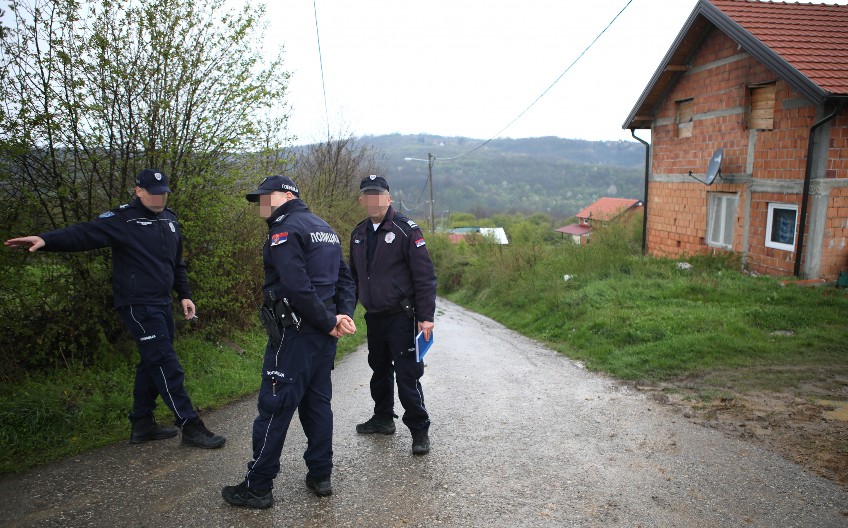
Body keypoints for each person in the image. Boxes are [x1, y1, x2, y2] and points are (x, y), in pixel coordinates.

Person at [4, 169, 226, 449]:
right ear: (139, 191)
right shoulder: (123, 219)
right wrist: (47, 240)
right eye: (155, 193)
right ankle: (191, 426)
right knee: (165, 363)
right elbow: (83, 233)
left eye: (164, 193)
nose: (160, 198)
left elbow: (176, 263)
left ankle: (142, 424)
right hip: (137, 305)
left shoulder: (170, 220)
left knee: (151, 361)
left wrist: (184, 295)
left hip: (162, 303)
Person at [222, 175, 357, 510]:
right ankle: (320, 475)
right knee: (316, 405)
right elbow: (345, 280)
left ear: (285, 195)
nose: (260, 206)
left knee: (274, 407)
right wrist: (341, 316)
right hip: (322, 336)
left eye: (265, 198)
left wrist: (329, 322)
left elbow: (297, 286)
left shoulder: (286, 229)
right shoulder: (324, 227)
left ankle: (257, 486)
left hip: (296, 335)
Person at [349, 175, 437, 455]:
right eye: (367, 195)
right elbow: (352, 279)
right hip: (374, 316)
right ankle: (383, 418)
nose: (373, 200)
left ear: (389, 198)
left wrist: (426, 316)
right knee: (379, 369)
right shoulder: (358, 233)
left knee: (407, 375)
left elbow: (424, 277)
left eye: (379, 194)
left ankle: (419, 429)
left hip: (402, 317)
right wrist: (344, 313)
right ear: (362, 200)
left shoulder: (406, 230)